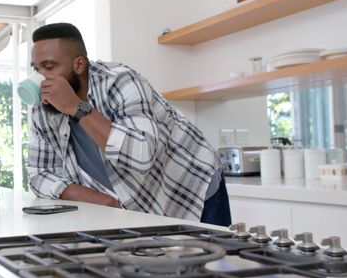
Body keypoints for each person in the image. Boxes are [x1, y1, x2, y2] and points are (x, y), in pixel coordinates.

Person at [26, 22, 231, 226]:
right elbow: (39, 175)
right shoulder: (43, 109)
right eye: (36, 68)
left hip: (191, 186)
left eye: (49, 67)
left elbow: (141, 156)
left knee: (209, 257)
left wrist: (76, 107)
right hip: (139, 202)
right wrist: (93, 197)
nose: (39, 77)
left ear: (79, 65)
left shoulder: (120, 81)